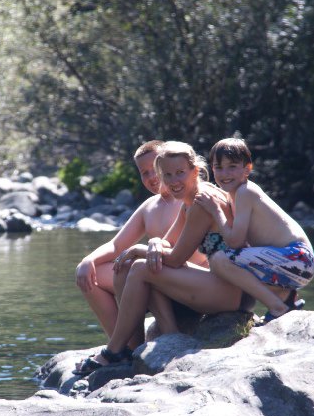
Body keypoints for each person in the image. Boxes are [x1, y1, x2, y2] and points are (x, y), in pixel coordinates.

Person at [75, 141, 247, 375]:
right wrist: (154, 243)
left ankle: (120, 349)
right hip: (198, 283)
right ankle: (133, 347)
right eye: (167, 174)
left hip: (228, 290)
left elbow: (175, 258)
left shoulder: (202, 200)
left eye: (179, 173)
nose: (171, 179)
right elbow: (166, 241)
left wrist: (142, 249)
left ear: (195, 171)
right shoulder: (188, 202)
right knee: (133, 265)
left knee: (142, 267)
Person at [75, 140, 207, 339]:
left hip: (189, 284)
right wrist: (88, 260)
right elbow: (116, 245)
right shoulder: (149, 206)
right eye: (144, 173)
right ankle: (127, 346)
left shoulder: (191, 198)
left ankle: (157, 336)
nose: (152, 176)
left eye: (155, 168)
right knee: (90, 276)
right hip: (157, 280)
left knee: (140, 266)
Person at [195, 137, 314, 323]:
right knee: (227, 263)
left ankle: (278, 307)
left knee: (220, 260)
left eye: (232, 166)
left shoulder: (245, 192)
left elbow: (234, 242)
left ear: (247, 169)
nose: (224, 173)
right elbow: (241, 244)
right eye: (218, 167)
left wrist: (215, 210)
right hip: (296, 261)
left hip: (297, 257)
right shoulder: (235, 195)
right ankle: (286, 297)